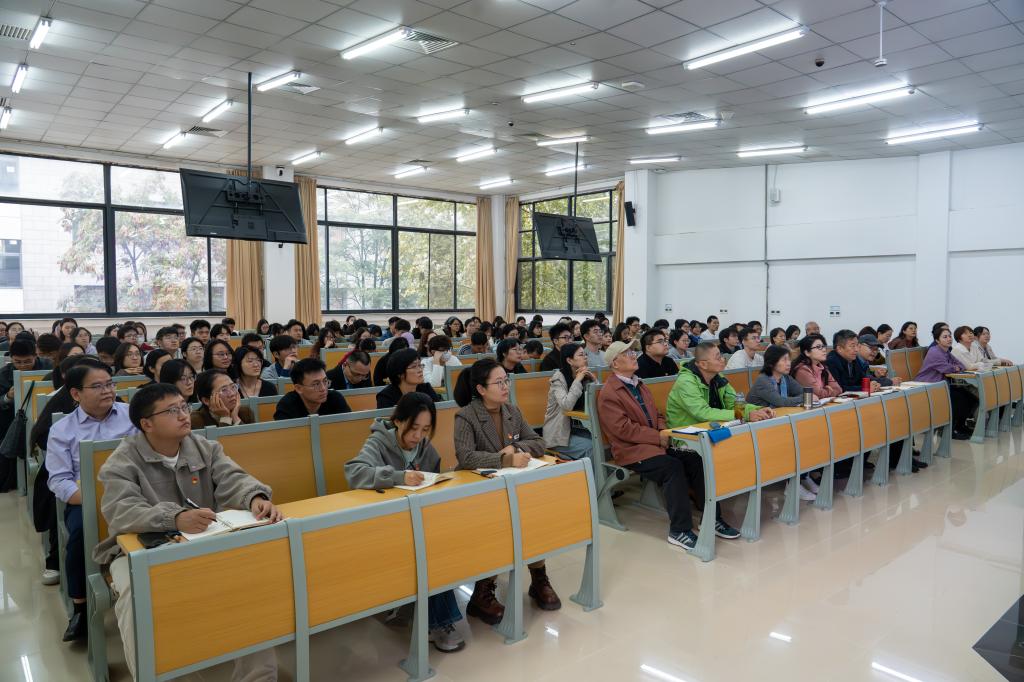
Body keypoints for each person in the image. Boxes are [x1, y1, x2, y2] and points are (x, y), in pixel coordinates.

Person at [95, 383, 281, 680]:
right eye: (172, 411)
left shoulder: (204, 447)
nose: (184, 415)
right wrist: (175, 517)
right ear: (147, 424)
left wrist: (254, 497)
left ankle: (258, 677)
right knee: (135, 593)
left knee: (247, 581)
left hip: (204, 540)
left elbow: (233, 477)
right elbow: (121, 510)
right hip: (138, 550)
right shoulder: (122, 460)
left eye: (184, 406)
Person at [344, 393, 465, 651]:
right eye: (413, 428)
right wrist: (399, 476)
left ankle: (426, 614)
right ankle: (440, 623)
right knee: (428, 553)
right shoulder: (378, 441)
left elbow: (433, 477)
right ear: (398, 421)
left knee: (441, 544)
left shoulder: (425, 447)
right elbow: (354, 472)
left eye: (425, 429)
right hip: (386, 525)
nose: (418, 436)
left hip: (418, 521)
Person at [598, 340, 741, 552]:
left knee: (695, 459)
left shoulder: (639, 384)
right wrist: (658, 436)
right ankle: (679, 530)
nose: (634, 355)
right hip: (631, 450)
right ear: (615, 364)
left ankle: (712, 518)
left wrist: (664, 431)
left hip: (656, 443)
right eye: (627, 353)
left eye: (633, 351)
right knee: (672, 467)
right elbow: (623, 430)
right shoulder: (610, 392)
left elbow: (657, 415)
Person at [452, 359, 560, 618]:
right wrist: (504, 459)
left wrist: (516, 448)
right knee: (497, 529)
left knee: (532, 520)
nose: (505, 387)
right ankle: (482, 591)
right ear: (481, 389)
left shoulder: (512, 410)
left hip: (513, 485)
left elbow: (538, 442)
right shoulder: (466, 416)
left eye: (506, 381)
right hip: (481, 490)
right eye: (498, 382)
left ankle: (538, 578)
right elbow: (465, 457)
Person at [46, 362, 137, 641]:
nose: (107, 390)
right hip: (86, 499)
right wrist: (94, 498)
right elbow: (59, 480)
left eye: (110, 384)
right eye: (97, 386)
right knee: (80, 534)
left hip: (135, 492)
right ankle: (81, 607)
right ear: (76, 394)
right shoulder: (62, 429)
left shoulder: (132, 415)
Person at [667, 341, 774, 428]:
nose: (723, 360)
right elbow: (702, 413)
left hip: (714, 428)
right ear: (703, 364)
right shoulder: (686, 381)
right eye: (718, 358)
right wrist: (745, 415)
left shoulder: (718, 377)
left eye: (721, 356)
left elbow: (733, 404)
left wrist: (757, 410)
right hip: (685, 435)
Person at [916, 327, 977, 439]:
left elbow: (961, 365)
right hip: (929, 385)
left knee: (970, 398)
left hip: (942, 384)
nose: (949, 339)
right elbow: (947, 369)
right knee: (958, 400)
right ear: (937, 340)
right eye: (945, 337)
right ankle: (947, 431)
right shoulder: (934, 351)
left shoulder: (946, 351)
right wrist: (955, 367)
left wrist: (955, 367)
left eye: (949, 336)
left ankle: (960, 426)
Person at [543, 344, 595, 460]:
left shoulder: (584, 376)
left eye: (585, 354)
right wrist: (578, 380)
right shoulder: (558, 379)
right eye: (581, 355)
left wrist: (594, 381)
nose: (585, 357)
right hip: (559, 435)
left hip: (579, 428)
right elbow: (566, 405)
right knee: (592, 447)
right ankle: (594, 473)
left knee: (602, 440)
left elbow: (597, 401)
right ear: (569, 360)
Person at [273, 358, 351, 420]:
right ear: (299, 388)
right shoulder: (286, 406)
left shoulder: (335, 398)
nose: (323, 388)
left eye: (325, 381)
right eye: (316, 384)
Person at [377, 348, 442, 409]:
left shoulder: (426, 389)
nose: (420, 370)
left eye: (420, 365)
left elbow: (439, 412)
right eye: (414, 366)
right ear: (400, 374)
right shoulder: (386, 397)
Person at [191, 369, 255, 428]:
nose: (232, 394)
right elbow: (225, 437)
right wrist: (225, 417)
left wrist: (235, 417)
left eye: (233, 387)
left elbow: (252, 437)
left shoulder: (245, 412)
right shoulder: (195, 420)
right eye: (224, 390)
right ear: (206, 400)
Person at [792, 334, 842, 399]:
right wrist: (829, 390)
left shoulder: (823, 367)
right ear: (807, 352)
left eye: (823, 346)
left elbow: (838, 389)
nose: (824, 350)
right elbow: (818, 394)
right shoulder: (802, 370)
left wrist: (825, 390)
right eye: (818, 347)